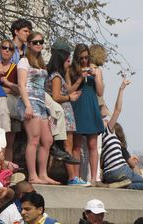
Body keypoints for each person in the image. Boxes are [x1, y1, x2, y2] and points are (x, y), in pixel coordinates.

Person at [17, 31, 59, 185]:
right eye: (35, 42)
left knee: (47, 140)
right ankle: (32, 175)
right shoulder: (24, 61)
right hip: (29, 101)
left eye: (41, 41)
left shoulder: (41, 62)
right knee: (33, 139)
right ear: (28, 44)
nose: (39, 44)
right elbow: (21, 84)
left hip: (42, 103)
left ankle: (43, 174)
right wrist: (27, 105)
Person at [46, 39, 87, 185]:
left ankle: (72, 177)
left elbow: (66, 89)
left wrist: (74, 81)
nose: (69, 58)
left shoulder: (59, 74)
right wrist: (70, 97)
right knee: (67, 146)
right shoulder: (56, 76)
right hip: (62, 113)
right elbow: (57, 96)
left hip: (65, 112)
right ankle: (72, 177)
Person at [101, 79, 143, 190]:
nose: (107, 120)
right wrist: (121, 89)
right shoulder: (108, 131)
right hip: (119, 170)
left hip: (108, 175)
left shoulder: (98, 138)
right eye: (105, 119)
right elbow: (117, 110)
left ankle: (119, 184)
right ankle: (125, 186)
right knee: (142, 183)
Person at [69, 44, 104, 184]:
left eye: (86, 57)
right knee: (76, 146)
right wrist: (79, 78)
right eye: (81, 58)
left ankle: (93, 177)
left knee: (93, 145)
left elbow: (100, 92)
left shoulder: (96, 70)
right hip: (78, 106)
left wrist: (95, 77)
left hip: (91, 106)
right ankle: (77, 178)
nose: (84, 61)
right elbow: (69, 90)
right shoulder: (72, 70)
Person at [0, 39, 22, 162]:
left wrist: (6, 84)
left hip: (11, 109)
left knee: (9, 143)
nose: (7, 50)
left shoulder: (16, 69)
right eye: (4, 47)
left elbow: (20, 89)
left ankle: (8, 170)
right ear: (0, 49)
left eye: (10, 49)